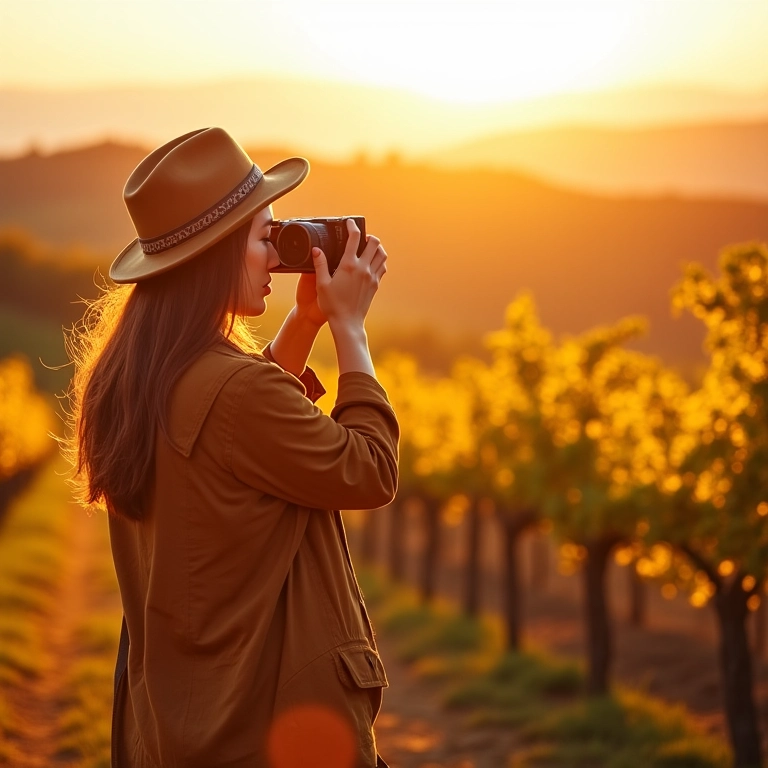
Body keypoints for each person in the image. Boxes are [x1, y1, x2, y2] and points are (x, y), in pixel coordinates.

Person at [64, 127, 399, 768]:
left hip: (180, 724)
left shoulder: (137, 374)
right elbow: (370, 470)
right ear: (217, 252)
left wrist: (304, 321)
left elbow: (235, 429)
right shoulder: (231, 389)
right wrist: (350, 331)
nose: (277, 257)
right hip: (261, 730)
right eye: (263, 237)